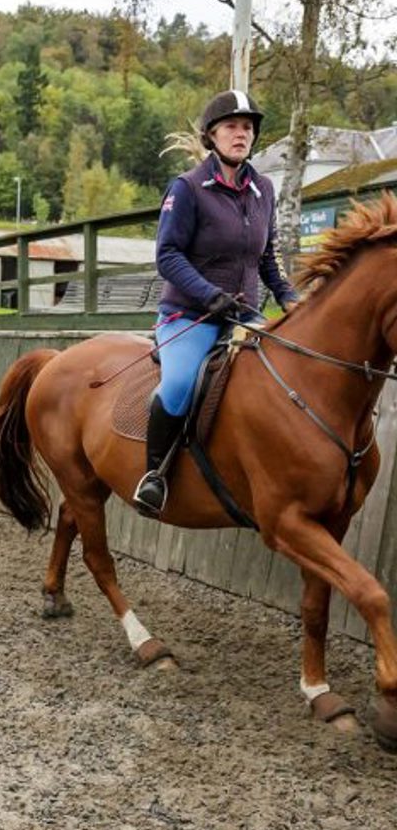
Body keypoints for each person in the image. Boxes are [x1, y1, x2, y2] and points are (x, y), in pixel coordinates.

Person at [132, 89, 299, 518]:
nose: (241, 134)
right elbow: (168, 255)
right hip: (191, 315)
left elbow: (267, 256)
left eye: (247, 127)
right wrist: (209, 295)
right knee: (179, 385)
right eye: (231, 126)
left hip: (244, 316)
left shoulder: (263, 189)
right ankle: (154, 476)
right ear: (211, 135)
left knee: (285, 376)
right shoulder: (187, 188)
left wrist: (288, 296)